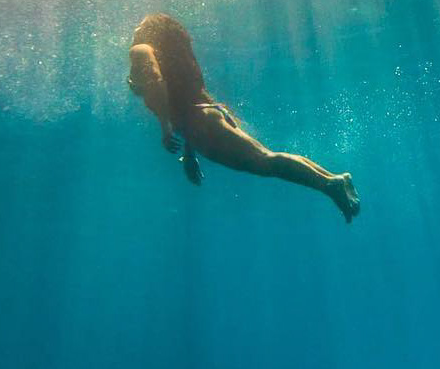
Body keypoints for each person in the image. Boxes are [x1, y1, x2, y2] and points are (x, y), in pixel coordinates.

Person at [128, 13, 360, 223]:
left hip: (200, 123)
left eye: (140, 25)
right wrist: (189, 151)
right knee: (266, 158)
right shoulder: (171, 57)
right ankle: (333, 179)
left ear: (152, 31)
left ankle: (331, 184)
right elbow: (183, 99)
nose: (135, 29)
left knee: (266, 161)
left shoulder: (140, 49)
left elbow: (157, 84)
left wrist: (165, 128)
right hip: (205, 118)